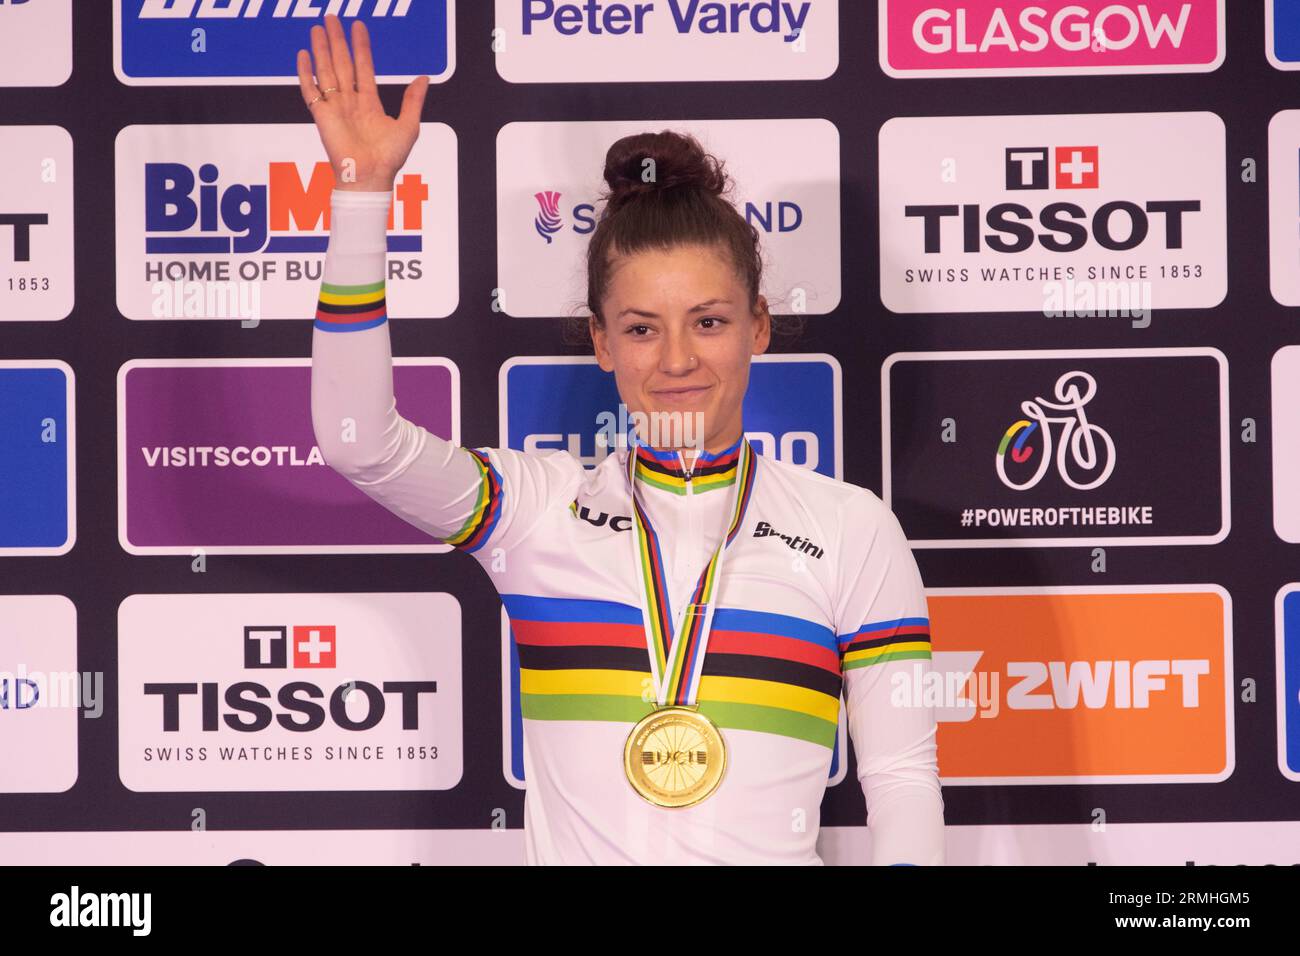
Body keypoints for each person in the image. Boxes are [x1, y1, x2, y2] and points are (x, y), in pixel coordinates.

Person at [299, 14, 944, 865]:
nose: (677, 359)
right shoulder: (537, 511)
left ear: (759, 327)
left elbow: (902, 776)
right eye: (641, 329)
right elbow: (359, 443)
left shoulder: (852, 529)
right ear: (601, 343)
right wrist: (361, 196)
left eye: (708, 322)